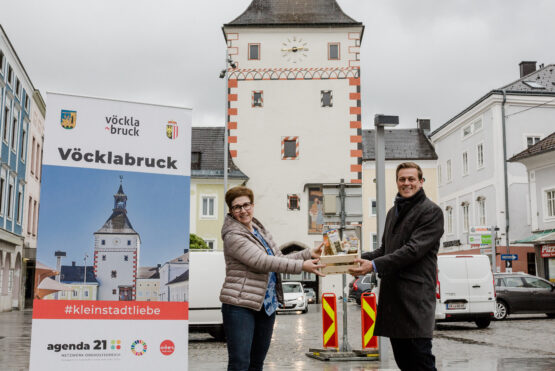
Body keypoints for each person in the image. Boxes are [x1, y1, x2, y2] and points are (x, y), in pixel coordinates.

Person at [349, 162, 444, 371]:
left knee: (421, 363)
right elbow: (385, 249)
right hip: (394, 302)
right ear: (397, 182)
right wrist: (353, 259)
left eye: (411, 179)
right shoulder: (394, 212)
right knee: (404, 364)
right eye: (402, 179)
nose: (406, 183)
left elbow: (412, 250)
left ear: (421, 181)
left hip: (415, 303)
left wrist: (372, 265)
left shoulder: (431, 212)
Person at [220, 186, 325, 371]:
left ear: (253, 205)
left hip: (265, 305)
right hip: (240, 305)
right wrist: (302, 266)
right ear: (231, 211)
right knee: (240, 363)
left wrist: (308, 253)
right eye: (237, 207)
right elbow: (262, 262)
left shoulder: (260, 231)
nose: (243, 210)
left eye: (246, 205)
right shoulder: (233, 235)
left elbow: (280, 259)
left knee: (256, 363)